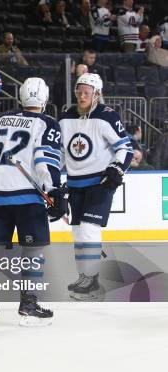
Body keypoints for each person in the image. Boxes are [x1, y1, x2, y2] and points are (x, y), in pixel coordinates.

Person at [0, 77, 66, 327]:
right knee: (32, 252)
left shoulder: (2, 120)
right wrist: (55, 190)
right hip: (26, 198)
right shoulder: (47, 123)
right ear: (44, 98)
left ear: (21, 97)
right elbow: (45, 160)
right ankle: (29, 304)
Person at [58, 73, 133, 300]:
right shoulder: (65, 118)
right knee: (78, 231)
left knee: (90, 228)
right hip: (75, 184)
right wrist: (50, 176)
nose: (82, 96)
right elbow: (61, 153)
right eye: (79, 92)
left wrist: (116, 169)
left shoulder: (107, 117)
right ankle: (85, 276)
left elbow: (125, 148)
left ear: (96, 94)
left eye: (87, 93)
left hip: (100, 183)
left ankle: (92, 280)